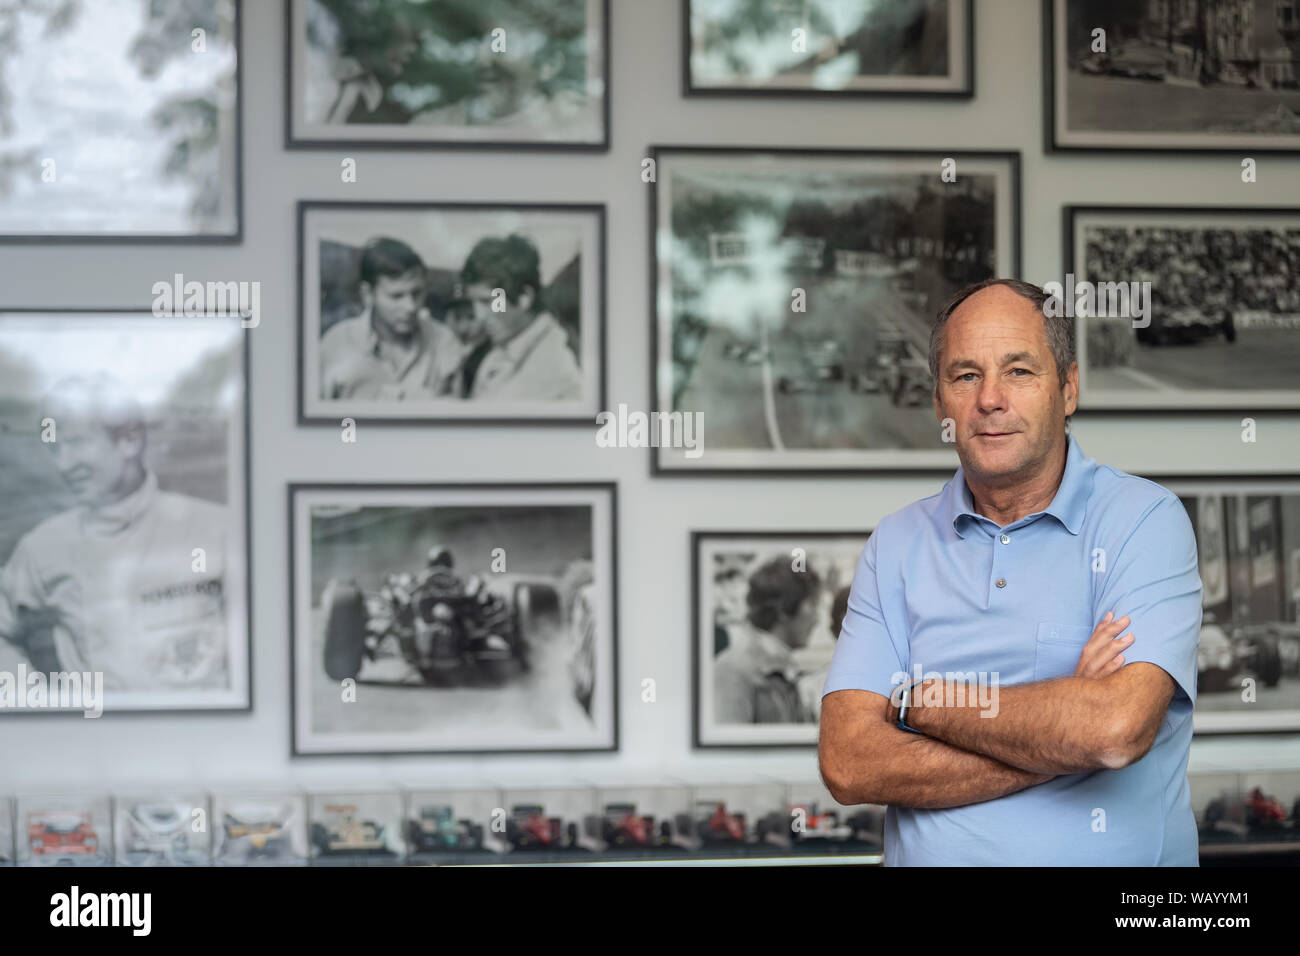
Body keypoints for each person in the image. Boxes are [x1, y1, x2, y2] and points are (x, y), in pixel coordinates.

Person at [819, 278, 1202, 866]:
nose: (990, 399)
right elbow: (848, 764)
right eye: (966, 375)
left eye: (1019, 371)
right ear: (939, 401)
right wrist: (1061, 732)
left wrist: (920, 704)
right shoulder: (895, 544)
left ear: (1067, 388)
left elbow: (1115, 729)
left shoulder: (1143, 521)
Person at [0, 375, 229, 692]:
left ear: (130, 440)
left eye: (77, 443)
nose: (64, 465)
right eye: (54, 448)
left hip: (206, 736)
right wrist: (35, 698)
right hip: (96, 738)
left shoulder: (216, 529)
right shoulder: (44, 546)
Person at [319, 237, 465, 400]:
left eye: (416, 293)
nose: (410, 306)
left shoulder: (444, 342)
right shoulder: (336, 345)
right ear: (367, 294)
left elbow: (453, 418)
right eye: (396, 296)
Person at [454, 234, 583, 402]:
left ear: (524, 297)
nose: (479, 316)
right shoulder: (492, 352)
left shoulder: (565, 365)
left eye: (488, 302)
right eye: (474, 303)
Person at [713, 556, 821, 724]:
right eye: (812, 605)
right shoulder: (733, 671)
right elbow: (725, 747)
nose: (817, 619)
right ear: (785, 608)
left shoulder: (788, 674)